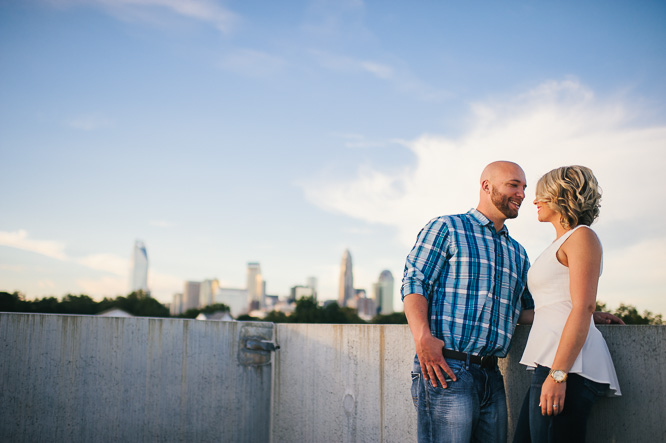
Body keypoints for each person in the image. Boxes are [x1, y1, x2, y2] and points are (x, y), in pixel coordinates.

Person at [402, 161, 622, 443]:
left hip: (492, 375)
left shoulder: (517, 252)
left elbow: (525, 310)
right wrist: (422, 337)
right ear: (486, 186)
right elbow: (414, 281)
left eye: (525, 187)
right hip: (448, 368)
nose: (523, 195)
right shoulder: (447, 227)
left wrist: (589, 313)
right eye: (513, 185)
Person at [512, 166, 622, 443]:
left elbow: (582, 306)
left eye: (541, 195)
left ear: (561, 196)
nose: (533, 201)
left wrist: (558, 376)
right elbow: (553, 307)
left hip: (569, 367)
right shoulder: (560, 242)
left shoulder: (582, 236)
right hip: (550, 362)